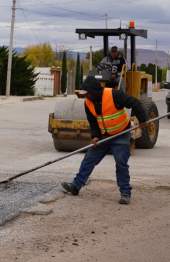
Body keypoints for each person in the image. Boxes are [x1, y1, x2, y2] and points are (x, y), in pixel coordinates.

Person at [61, 75, 148, 204]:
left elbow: (134, 102)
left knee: (121, 163)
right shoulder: (88, 103)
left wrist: (142, 119)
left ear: (94, 91)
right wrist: (95, 136)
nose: (85, 96)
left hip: (121, 135)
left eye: (87, 93)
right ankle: (76, 186)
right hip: (103, 137)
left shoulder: (114, 95)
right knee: (89, 159)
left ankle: (125, 193)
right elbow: (93, 122)